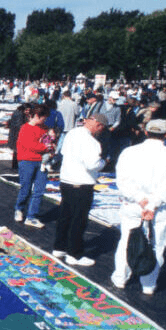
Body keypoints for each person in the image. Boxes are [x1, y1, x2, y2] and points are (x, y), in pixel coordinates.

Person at [111, 119, 166, 295]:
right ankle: (148, 284)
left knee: (127, 240)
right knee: (156, 244)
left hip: (134, 204)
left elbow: (122, 181)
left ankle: (121, 278)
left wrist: (140, 200)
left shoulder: (129, 152)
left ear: (146, 132)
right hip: (157, 208)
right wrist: (152, 204)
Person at [53, 113, 108, 266]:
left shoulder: (72, 133)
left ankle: (59, 247)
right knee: (78, 219)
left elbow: (63, 152)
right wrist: (103, 162)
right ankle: (74, 254)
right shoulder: (92, 142)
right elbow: (93, 164)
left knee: (65, 215)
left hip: (66, 180)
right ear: (98, 126)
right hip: (82, 183)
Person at [14, 104, 52, 228]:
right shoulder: (25, 128)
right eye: (43, 118)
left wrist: (51, 143)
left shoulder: (45, 128)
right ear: (36, 116)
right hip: (27, 161)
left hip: (42, 162)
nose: (44, 121)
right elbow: (30, 145)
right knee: (26, 188)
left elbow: (49, 141)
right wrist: (46, 148)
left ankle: (31, 216)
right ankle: (19, 208)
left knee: (39, 190)